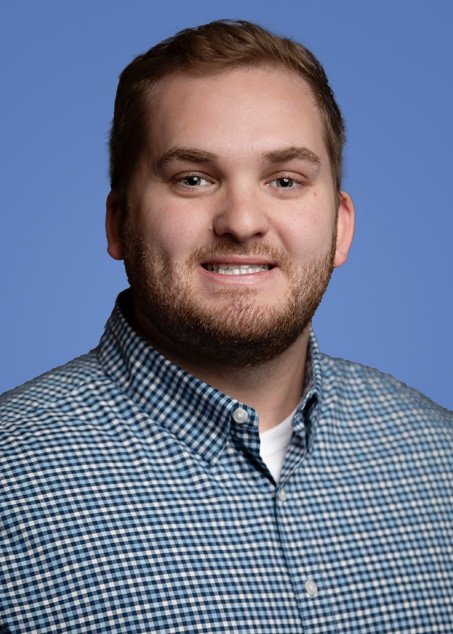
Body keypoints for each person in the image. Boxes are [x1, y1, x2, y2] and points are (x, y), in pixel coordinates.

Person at [1, 19, 451, 633]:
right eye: (193, 178)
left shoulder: (439, 458)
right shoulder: (12, 478)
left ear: (341, 226)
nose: (242, 222)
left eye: (285, 181)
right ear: (118, 222)